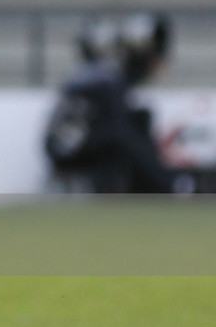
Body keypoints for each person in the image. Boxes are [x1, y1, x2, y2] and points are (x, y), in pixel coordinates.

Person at [45, 12, 207, 193]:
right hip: (71, 154)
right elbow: (121, 135)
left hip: (77, 148)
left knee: (136, 122)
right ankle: (173, 186)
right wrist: (167, 181)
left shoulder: (105, 75)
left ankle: (172, 183)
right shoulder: (107, 79)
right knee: (126, 133)